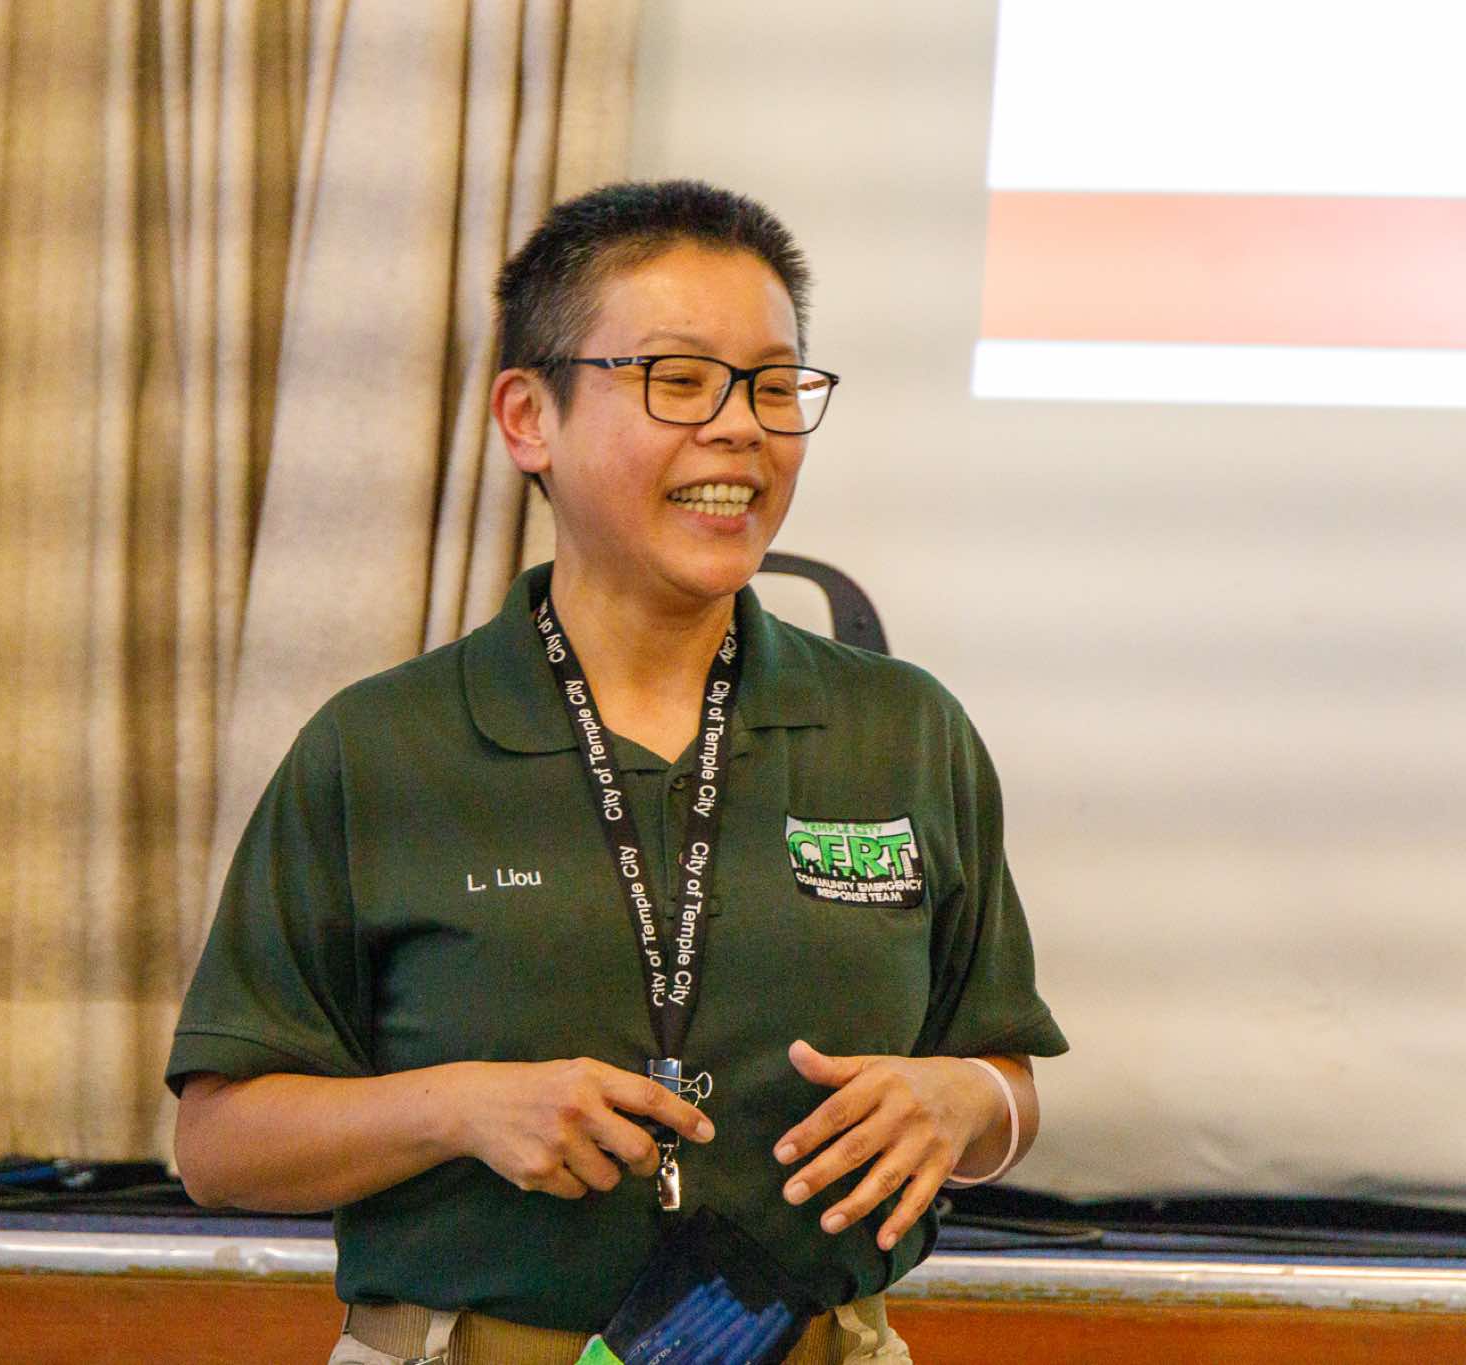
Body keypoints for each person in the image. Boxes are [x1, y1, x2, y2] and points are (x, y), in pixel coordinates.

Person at [167, 180, 1068, 1364]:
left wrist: (968, 1105)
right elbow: (218, 1147)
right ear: (526, 417)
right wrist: (458, 1108)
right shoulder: (382, 747)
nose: (740, 428)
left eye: (773, 385)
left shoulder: (901, 731)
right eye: (678, 380)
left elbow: (1002, 1079)